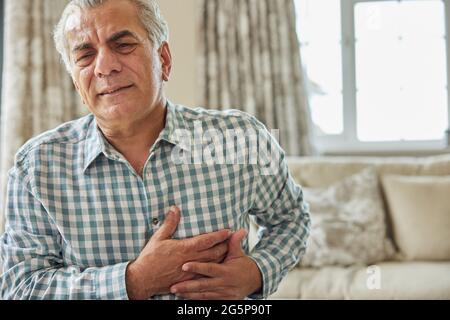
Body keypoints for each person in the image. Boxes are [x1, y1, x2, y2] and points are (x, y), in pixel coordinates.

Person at [0, 0, 310, 300]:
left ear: (163, 59)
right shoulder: (36, 168)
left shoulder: (244, 138)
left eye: (123, 45)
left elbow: (292, 219)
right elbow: (20, 289)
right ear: (76, 81)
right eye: (85, 55)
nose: (105, 67)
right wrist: (133, 281)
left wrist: (257, 272)